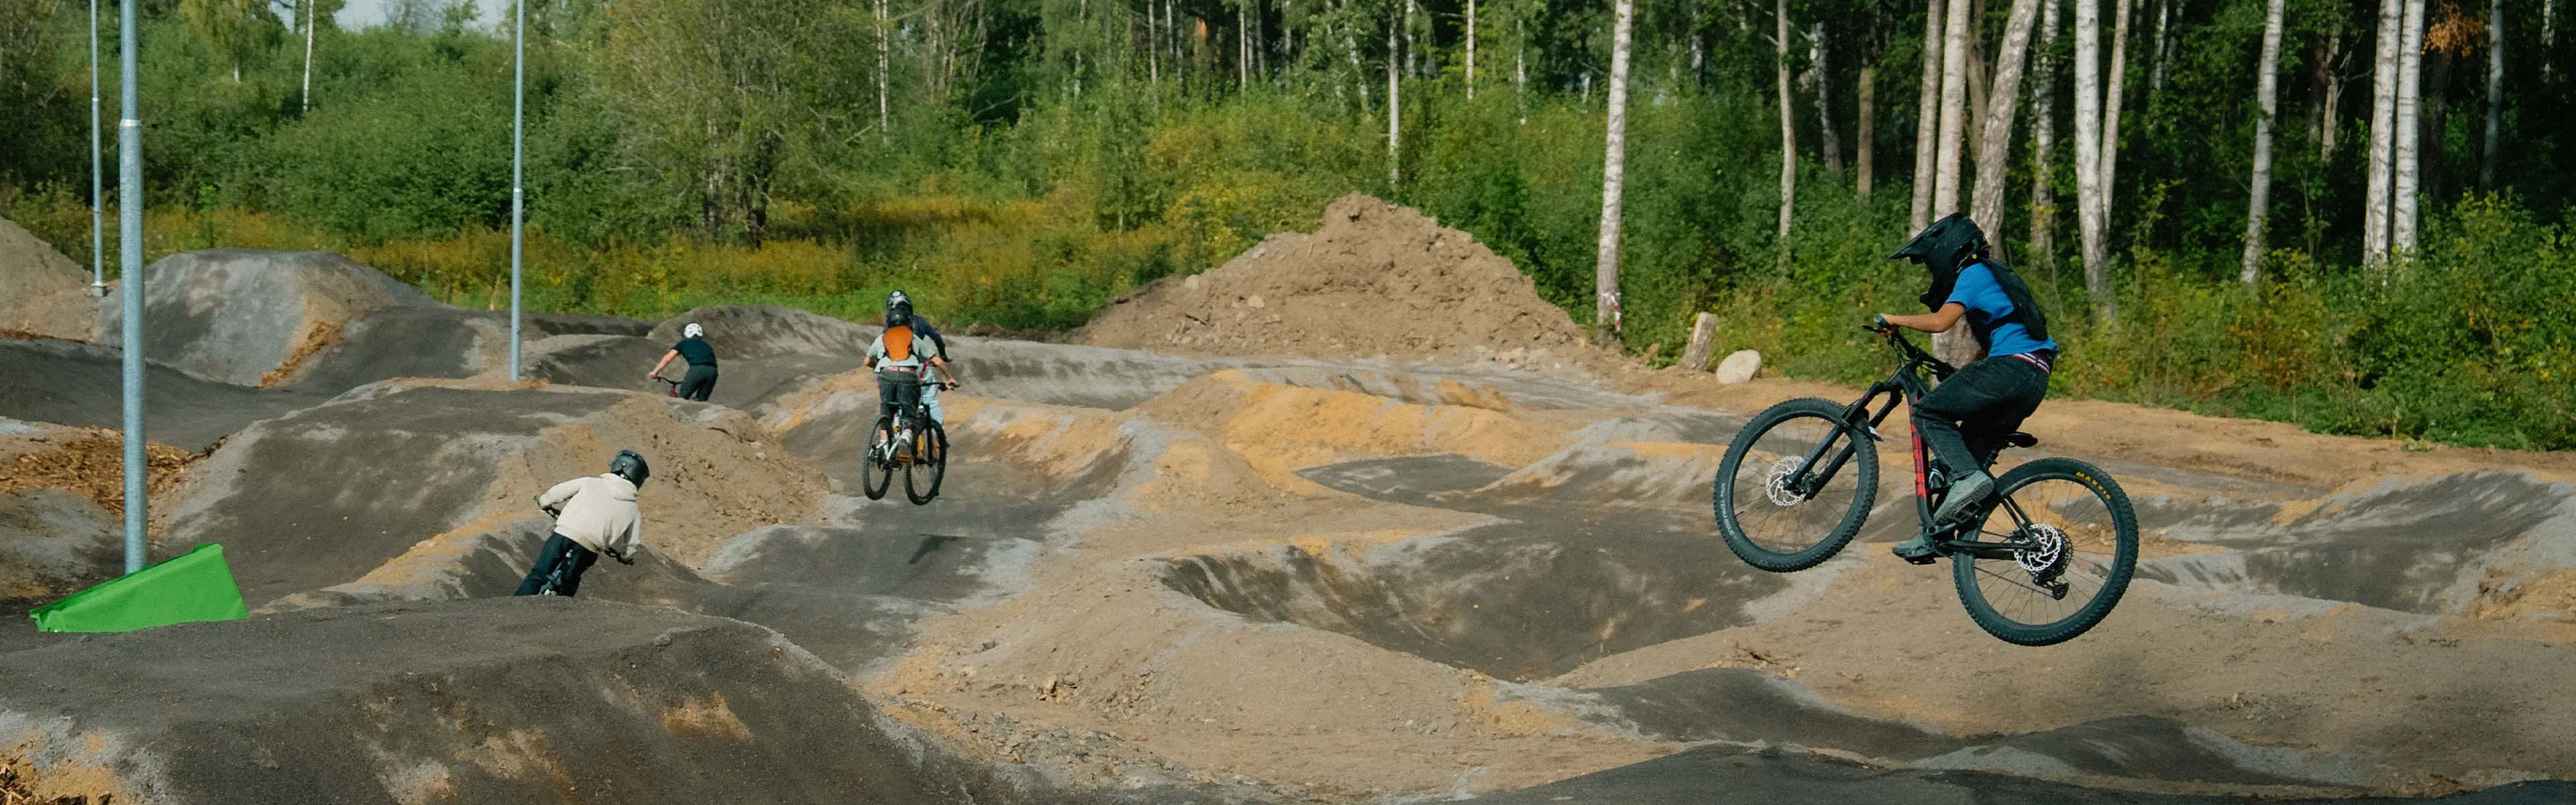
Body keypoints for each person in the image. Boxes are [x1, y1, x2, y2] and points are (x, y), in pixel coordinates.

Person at [1870, 213, 2057, 565]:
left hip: (2014, 367)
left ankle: (1966, 478)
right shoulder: (1997, 278)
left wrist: (1895, 320)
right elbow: (1991, 347)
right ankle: (1935, 536)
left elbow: (1941, 322)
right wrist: (1962, 374)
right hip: (2033, 377)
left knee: (1928, 412)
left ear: (1946, 253)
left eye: (1929, 265)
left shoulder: (1974, 274)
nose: (1930, 274)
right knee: (1966, 468)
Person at [515, 449, 649, 596]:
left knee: (538, 575)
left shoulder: (590, 482)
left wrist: (544, 501)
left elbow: (559, 492)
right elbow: (631, 542)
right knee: (568, 587)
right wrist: (626, 556)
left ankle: (512, 609)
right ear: (638, 478)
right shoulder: (633, 509)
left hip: (563, 535)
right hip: (588, 549)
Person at [866, 292, 959, 453]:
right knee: (923, 403)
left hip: (886, 375)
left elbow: (867, 361)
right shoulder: (915, 334)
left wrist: (880, 368)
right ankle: (909, 437)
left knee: (887, 411)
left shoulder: (883, 336)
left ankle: (883, 445)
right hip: (914, 372)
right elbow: (937, 350)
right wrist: (949, 377)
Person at [884, 290, 954, 425]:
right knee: (930, 401)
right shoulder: (920, 321)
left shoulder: (889, 325)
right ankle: (937, 435)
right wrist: (943, 355)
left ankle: (899, 431)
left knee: (899, 401)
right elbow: (937, 338)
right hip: (919, 366)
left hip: (894, 367)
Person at [650, 323, 718, 401]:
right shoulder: (706, 345)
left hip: (697, 370)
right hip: (713, 371)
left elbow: (667, 358)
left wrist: (654, 372)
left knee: (682, 399)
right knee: (701, 401)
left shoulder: (684, 343)